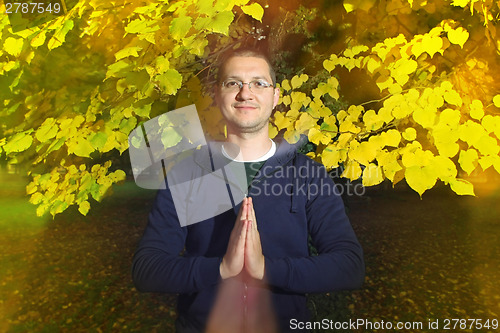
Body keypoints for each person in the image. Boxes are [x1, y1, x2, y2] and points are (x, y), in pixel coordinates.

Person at [132, 47, 365, 332]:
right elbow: (147, 270)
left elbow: (350, 266)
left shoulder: (308, 174)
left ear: (275, 96)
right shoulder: (186, 173)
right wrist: (221, 269)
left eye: (259, 83)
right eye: (233, 83)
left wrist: (267, 270)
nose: (245, 93)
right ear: (217, 95)